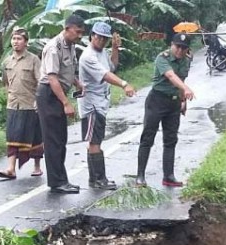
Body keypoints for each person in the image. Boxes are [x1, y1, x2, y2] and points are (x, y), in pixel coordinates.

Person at [78, 22, 136, 190]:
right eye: (99, 37)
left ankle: (94, 179)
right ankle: (99, 179)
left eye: (105, 38)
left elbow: (112, 67)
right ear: (92, 36)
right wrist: (124, 84)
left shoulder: (102, 52)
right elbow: (105, 75)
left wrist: (115, 48)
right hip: (91, 105)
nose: (102, 41)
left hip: (100, 103)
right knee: (95, 141)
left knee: (95, 141)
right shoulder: (88, 56)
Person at [136, 33, 196, 187]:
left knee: (170, 140)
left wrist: (183, 101)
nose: (180, 51)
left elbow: (181, 80)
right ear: (172, 45)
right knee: (147, 138)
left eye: (184, 48)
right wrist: (186, 89)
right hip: (157, 101)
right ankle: (140, 176)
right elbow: (171, 76)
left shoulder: (186, 61)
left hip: (173, 103)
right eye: (178, 47)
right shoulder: (162, 58)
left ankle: (168, 176)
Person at [36, 14, 85, 194]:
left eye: (81, 32)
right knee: (53, 140)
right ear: (67, 28)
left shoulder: (71, 46)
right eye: (77, 32)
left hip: (57, 92)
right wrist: (66, 103)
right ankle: (57, 183)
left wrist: (77, 83)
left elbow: (67, 71)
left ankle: (61, 179)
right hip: (49, 94)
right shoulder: (53, 47)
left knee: (61, 139)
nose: (79, 35)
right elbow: (52, 77)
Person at [0, 28, 44, 180]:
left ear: (26, 42)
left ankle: (37, 166)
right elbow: (5, 82)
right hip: (13, 105)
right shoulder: (7, 62)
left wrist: (39, 100)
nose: (15, 42)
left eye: (19, 39)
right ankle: (11, 168)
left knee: (35, 137)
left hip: (30, 105)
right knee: (12, 135)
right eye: (14, 39)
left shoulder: (34, 60)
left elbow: (41, 81)